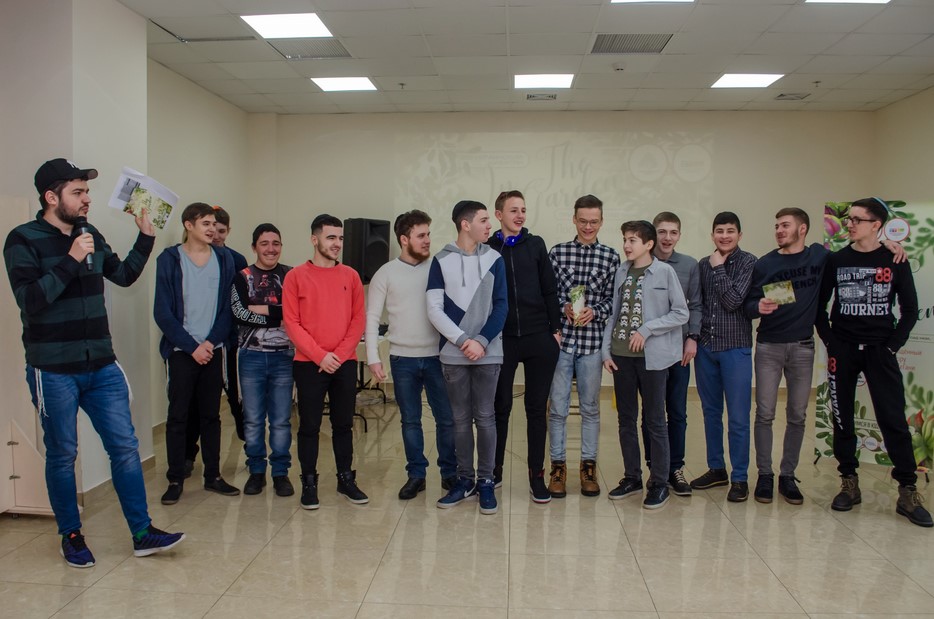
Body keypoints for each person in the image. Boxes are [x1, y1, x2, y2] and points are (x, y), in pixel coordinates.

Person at [4, 158, 184, 567]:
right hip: (53, 369)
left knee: (125, 447)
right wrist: (70, 259)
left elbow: (123, 276)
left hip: (101, 364)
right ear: (52, 197)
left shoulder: (90, 233)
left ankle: (142, 532)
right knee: (62, 453)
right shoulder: (22, 239)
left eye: (87, 191)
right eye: (78, 192)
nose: (87, 199)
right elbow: (30, 300)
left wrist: (145, 238)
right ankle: (71, 536)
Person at [745, 207, 906, 505]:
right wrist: (758, 307)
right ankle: (765, 475)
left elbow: (859, 248)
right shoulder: (765, 263)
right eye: (777, 225)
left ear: (802, 229)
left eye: (785, 225)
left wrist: (888, 243)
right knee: (765, 413)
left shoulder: (821, 256)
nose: (779, 230)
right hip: (768, 346)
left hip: (803, 347)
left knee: (797, 415)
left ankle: (788, 475)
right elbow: (749, 304)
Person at [816, 197, 931, 528]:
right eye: (849, 219)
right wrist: (831, 341)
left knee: (892, 418)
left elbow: (910, 309)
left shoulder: (895, 259)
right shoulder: (837, 259)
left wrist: (892, 346)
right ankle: (849, 482)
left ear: (876, 225)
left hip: (880, 350)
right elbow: (820, 306)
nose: (850, 224)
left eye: (857, 219)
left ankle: (907, 490)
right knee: (842, 418)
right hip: (843, 350)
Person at [365, 210, 457, 500]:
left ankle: (450, 473)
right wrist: (373, 357)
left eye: (428, 234)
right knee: (410, 421)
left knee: (446, 419)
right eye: (421, 235)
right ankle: (416, 475)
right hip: (401, 359)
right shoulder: (385, 273)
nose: (427, 240)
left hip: (438, 357)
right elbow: (371, 317)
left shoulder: (438, 269)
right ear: (404, 239)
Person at [155, 202, 240, 505]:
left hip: (213, 350)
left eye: (214, 224)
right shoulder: (169, 259)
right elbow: (162, 312)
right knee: (178, 416)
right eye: (205, 223)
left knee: (211, 416)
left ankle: (213, 476)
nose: (212, 229)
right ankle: (175, 478)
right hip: (182, 351)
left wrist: (210, 343)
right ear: (188, 225)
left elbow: (229, 308)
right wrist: (192, 347)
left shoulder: (224, 259)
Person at [427, 200, 507, 515]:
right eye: (484, 220)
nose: (489, 226)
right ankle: (464, 480)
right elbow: (434, 309)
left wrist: (481, 341)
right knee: (459, 420)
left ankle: (486, 481)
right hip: (453, 353)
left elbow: (501, 306)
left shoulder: (495, 259)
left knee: (486, 418)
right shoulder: (441, 260)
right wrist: (463, 341)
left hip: (489, 352)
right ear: (465, 224)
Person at [283, 214, 368, 509]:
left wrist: (339, 355)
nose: (337, 243)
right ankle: (309, 482)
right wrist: (320, 355)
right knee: (309, 425)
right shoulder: (295, 277)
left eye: (340, 238)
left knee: (343, 424)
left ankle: (346, 479)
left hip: (344, 362)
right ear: (314, 239)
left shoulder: (351, 276)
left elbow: (358, 320)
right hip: (309, 364)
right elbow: (292, 323)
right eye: (331, 237)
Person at [603, 221, 688, 510]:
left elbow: (681, 313)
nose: (627, 245)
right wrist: (606, 351)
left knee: (655, 420)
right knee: (625, 419)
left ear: (649, 244)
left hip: (653, 359)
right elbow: (614, 314)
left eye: (633, 240)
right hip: (621, 356)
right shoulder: (621, 271)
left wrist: (648, 329)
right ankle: (632, 477)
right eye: (625, 239)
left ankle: (659, 482)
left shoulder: (664, 272)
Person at [488, 190, 561, 504]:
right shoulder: (488, 249)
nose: (520, 215)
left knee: (536, 409)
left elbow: (550, 289)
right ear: (498, 214)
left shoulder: (536, 245)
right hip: (502, 340)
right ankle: (494, 471)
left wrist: (555, 330)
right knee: (500, 407)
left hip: (538, 337)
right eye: (513, 210)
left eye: (523, 210)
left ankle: (536, 476)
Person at [547, 194, 620, 498]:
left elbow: (614, 300)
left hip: (592, 344)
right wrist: (562, 307)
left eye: (594, 222)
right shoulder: (557, 252)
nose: (588, 227)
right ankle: (558, 468)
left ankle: (588, 467)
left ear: (601, 222)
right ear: (574, 220)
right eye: (583, 221)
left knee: (590, 408)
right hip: (561, 342)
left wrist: (596, 311)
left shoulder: (611, 256)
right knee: (557, 408)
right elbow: (547, 293)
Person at [690, 211, 757, 502]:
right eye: (719, 231)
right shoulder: (702, 264)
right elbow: (699, 304)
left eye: (730, 231)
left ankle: (739, 477)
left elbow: (733, 301)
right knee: (710, 412)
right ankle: (716, 468)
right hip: (707, 348)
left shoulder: (748, 262)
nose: (724, 236)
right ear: (712, 235)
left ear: (739, 235)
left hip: (735, 348)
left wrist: (718, 268)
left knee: (739, 417)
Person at [230, 223, 294, 497]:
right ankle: (257, 471)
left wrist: (262, 309)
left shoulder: (291, 276)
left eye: (276, 243)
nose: (271, 249)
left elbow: (296, 311)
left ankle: (280, 473)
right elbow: (239, 313)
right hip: (251, 357)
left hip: (284, 357)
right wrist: (277, 316)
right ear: (254, 247)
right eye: (264, 243)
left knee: (281, 420)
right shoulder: (241, 277)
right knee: (253, 419)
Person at [647, 212, 701, 497]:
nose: (667, 238)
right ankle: (654, 467)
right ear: (653, 234)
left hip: (679, 350)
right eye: (662, 232)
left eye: (673, 232)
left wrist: (692, 338)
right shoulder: (641, 263)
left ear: (679, 235)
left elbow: (696, 305)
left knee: (677, 411)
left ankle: (675, 468)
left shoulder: (690, 265)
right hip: (650, 352)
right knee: (651, 412)